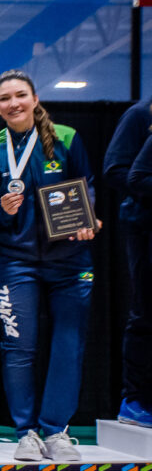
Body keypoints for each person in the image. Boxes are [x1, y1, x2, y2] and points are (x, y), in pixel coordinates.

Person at [0, 69, 100, 461]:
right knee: (18, 347)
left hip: (70, 261)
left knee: (68, 346)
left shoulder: (66, 138)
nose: (14, 103)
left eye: (20, 95)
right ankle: (26, 432)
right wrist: (1, 210)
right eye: (5, 98)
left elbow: (86, 185)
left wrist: (88, 219)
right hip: (14, 262)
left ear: (35, 98)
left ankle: (56, 432)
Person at [103, 97, 152, 428]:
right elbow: (116, 171)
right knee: (145, 312)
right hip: (143, 227)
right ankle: (135, 400)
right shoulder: (139, 114)